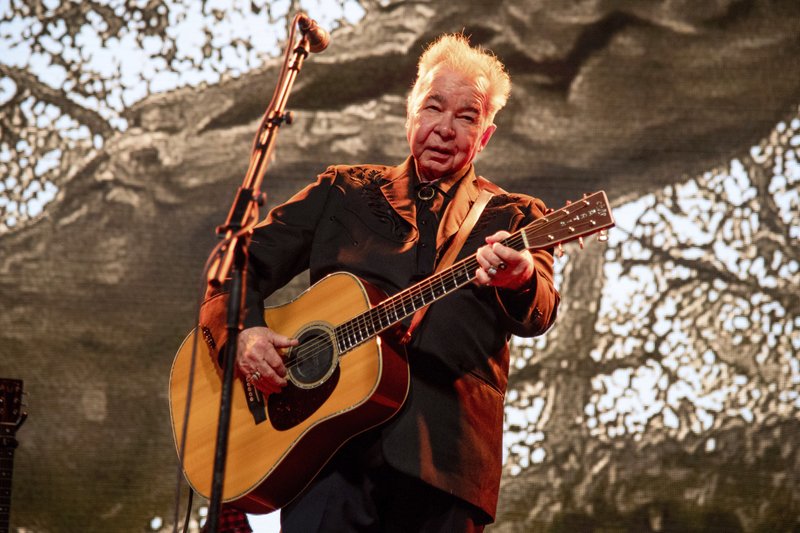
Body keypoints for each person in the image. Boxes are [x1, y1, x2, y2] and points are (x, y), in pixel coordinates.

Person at [211, 33, 559, 532]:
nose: (444, 128)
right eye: (434, 107)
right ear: (410, 112)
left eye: (466, 116)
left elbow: (541, 309)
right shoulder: (343, 190)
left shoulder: (517, 215)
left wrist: (521, 277)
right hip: (328, 454)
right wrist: (242, 333)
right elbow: (236, 265)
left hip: (445, 466)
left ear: (484, 136)